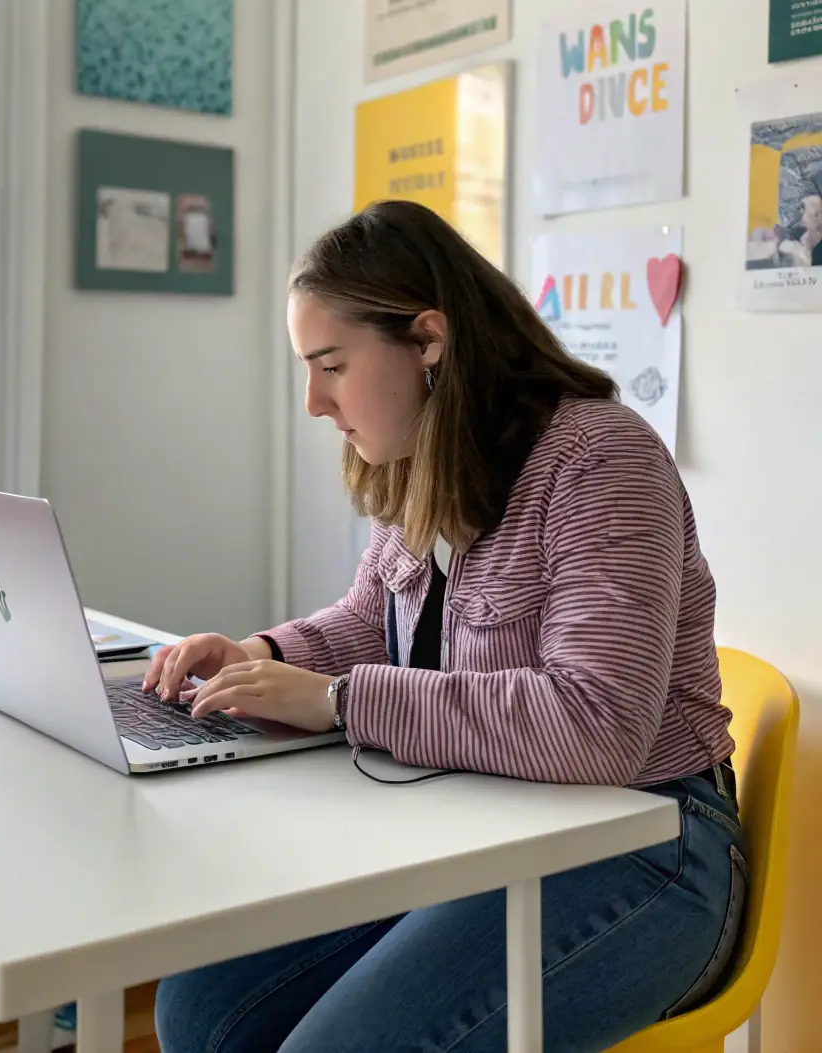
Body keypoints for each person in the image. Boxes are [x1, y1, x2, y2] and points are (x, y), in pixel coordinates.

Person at [146, 200, 745, 1053]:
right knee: (199, 1010)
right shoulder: (424, 454)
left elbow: (598, 724)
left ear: (428, 341)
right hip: (481, 825)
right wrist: (260, 655)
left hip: (650, 841)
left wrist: (342, 701)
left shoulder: (601, 459)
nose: (314, 402)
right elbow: (372, 620)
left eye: (331, 365)